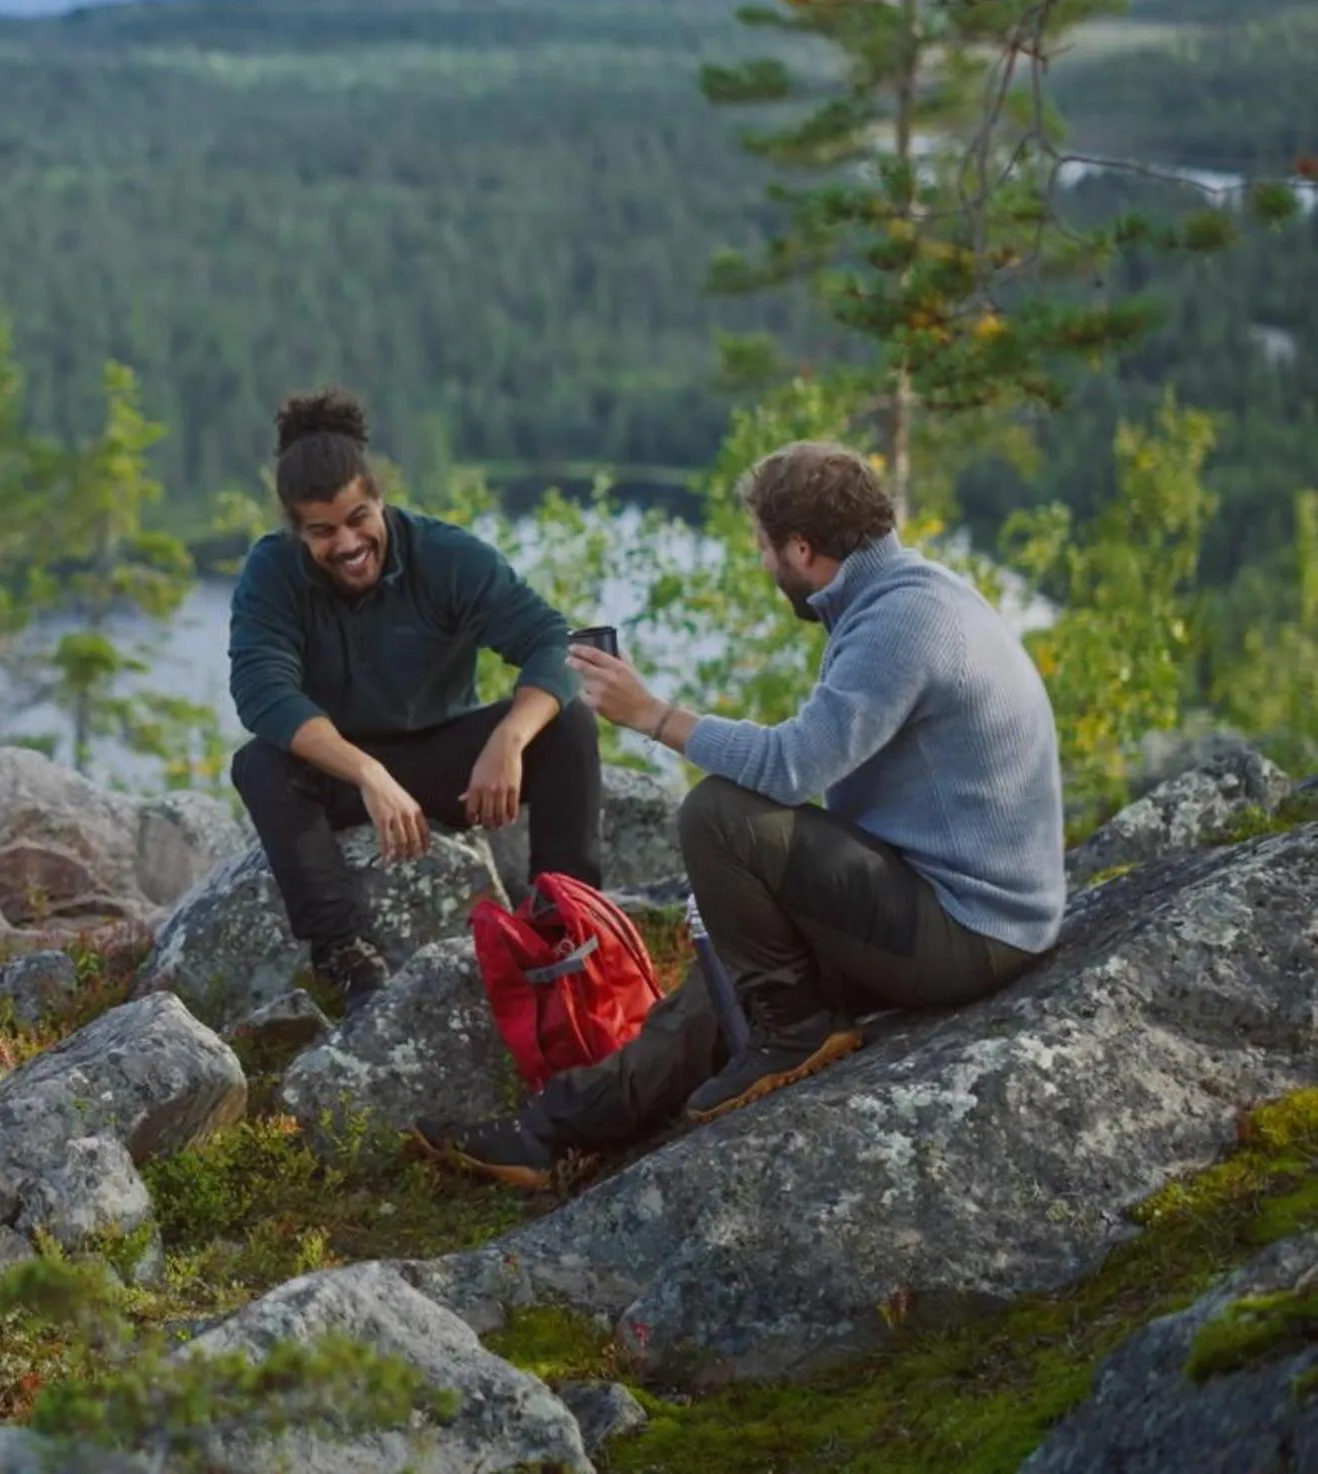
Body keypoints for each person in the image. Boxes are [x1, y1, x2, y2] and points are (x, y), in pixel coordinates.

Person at [412, 439, 1066, 1188]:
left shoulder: (899, 624)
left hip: (969, 929)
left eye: (763, 549)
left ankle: (790, 1034)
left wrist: (653, 715)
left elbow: (793, 767)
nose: (762, 566)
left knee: (717, 814)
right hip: (959, 906)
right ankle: (552, 1133)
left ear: (801, 548)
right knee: (723, 984)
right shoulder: (908, 594)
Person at [226, 386, 604, 1016]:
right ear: (297, 531)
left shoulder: (445, 556)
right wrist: (368, 773)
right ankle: (343, 953)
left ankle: (565, 921)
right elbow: (262, 692)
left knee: (568, 725)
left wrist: (509, 739)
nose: (346, 544)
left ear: (381, 500)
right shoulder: (271, 573)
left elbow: (551, 642)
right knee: (260, 764)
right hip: (347, 770)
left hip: (452, 758)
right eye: (321, 532)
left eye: (358, 519)